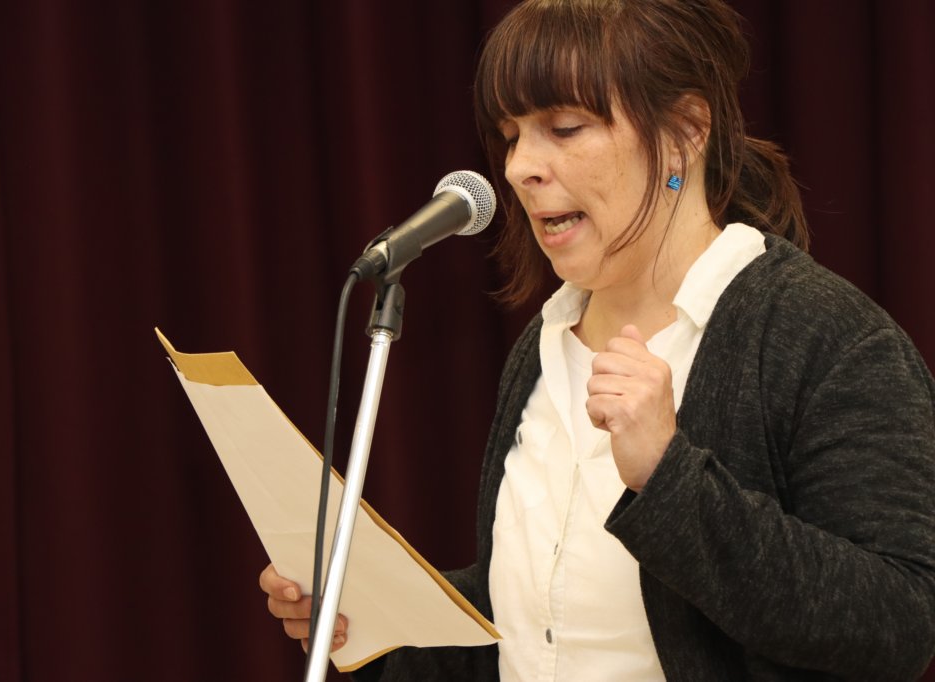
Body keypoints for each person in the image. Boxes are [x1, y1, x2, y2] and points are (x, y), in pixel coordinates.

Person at [260, 0, 935, 679]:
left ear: (686, 130)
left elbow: (903, 622)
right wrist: (378, 618)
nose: (520, 167)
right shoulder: (543, 345)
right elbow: (540, 631)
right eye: (512, 135)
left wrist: (668, 478)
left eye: (564, 127)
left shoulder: (828, 337)